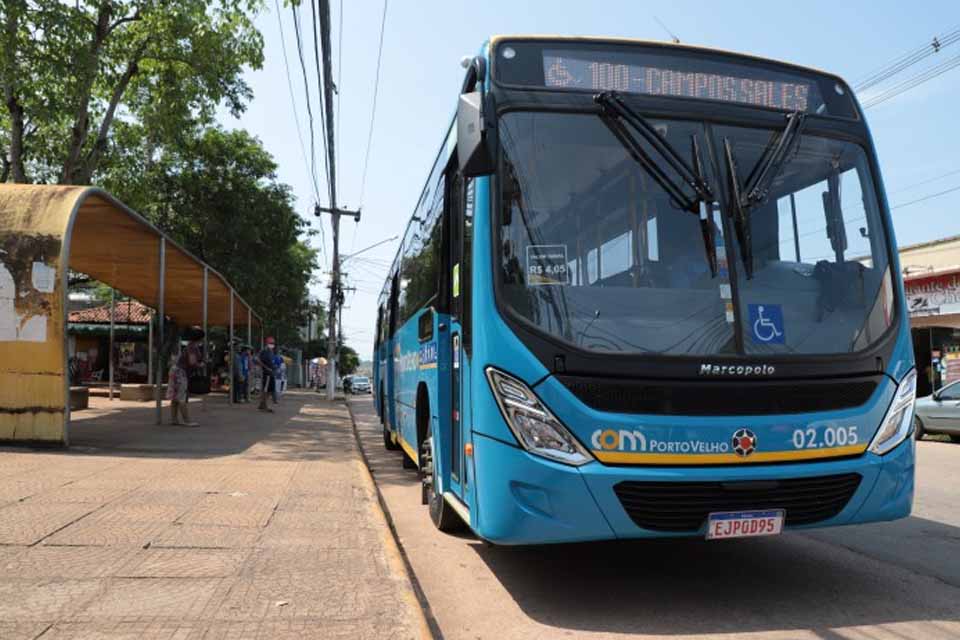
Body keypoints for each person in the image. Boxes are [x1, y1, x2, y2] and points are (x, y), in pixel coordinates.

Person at [166, 327, 204, 427]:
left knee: (175, 397)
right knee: (182, 397)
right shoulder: (193, 347)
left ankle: (174, 419)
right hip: (181, 372)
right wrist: (201, 365)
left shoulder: (189, 345)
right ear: (200, 338)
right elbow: (192, 362)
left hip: (175, 370)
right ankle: (187, 421)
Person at [257, 337, 278, 412]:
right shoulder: (265, 351)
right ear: (267, 343)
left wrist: (274, 367)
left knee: (270, 390)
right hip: (267, 374)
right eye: (271, 343)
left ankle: (262, 404)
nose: (272, 344)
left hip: (271, 373)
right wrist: (266, 368)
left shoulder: (271, 351)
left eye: (273, 343)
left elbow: (271, 362)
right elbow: (258, 360)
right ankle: (264, 405)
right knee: (266, 389)